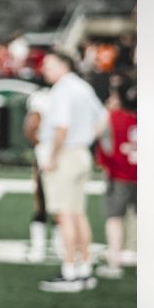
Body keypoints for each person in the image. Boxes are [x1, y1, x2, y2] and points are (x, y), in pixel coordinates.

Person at [35, 50, 107, 292]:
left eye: (49, 64)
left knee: (65, 215)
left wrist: (53, 157)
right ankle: (84, 269)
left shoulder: (62, 90)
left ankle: (70, 272)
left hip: (65, 156)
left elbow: (61, 127)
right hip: (80, 154)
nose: (44, 68)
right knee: (77, 214)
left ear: (63, 65)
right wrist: (86, 139)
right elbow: (103, 117)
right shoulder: (82, 87)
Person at [95, 82, 137, 278]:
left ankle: (115, 261)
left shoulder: (112, 117)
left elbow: (98, 136)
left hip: (119, 174)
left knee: (114, 219)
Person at [23, 86, 55, 263]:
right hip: (60, 153)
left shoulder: (42, 97)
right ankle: (55, 246)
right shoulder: (64, 93)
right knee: (59, 206)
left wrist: (42, 147)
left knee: (43, 202)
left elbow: (29, 128)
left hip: (48, 154)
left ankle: (39, 247)